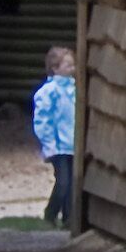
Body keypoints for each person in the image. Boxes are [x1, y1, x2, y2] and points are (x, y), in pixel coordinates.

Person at [31, 44, 78, 231]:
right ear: (55, 68)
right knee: (63, 182)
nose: (72, 69)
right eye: (68, 66)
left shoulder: (75, 91)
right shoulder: (48, 92)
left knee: (73, 183)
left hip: (73, 145)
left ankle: (68, 218)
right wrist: (49, 142)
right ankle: (50, 214)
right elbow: (42, 120)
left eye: (73, 65)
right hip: (58, 146)